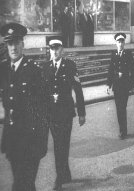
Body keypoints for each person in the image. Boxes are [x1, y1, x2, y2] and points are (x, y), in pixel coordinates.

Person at [0, 22, 49, 191]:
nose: (13, 47)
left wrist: (42, 144)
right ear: (6, 45)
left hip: (30, 142)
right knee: (23, 185)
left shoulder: (34, 71)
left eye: (16, 43)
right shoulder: (3, 69)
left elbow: (43, 110)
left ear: (23, 44)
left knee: (22, 185)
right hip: (13, 141)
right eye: (9, 43)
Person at [42, 36, 86, 190]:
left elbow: (78, 90)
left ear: (62, 50)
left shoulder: (70, 65)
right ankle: (64, 174)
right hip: (52, 114)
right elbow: (42, 92)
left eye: (57, 48)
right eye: (52, 49)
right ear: (49, 50)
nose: (54, 51)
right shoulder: (46, 67)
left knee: (63, 145)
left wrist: (82, 113)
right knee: (58, 145)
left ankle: (59, 179)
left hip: (66, 113)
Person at [107, 33, 134, 140]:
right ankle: (122, 130)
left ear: (124, 43)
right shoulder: (114, 55)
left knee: (122, 107)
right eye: (119, 42)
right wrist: (108, 84)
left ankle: (124, 130)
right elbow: (110, 70)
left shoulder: (128, 54)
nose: (121, 44)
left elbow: (132, 69)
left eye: (122, 42)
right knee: (119, 108)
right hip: (117, 86)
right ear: (116, 43)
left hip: (125, 85)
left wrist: (132, 84)